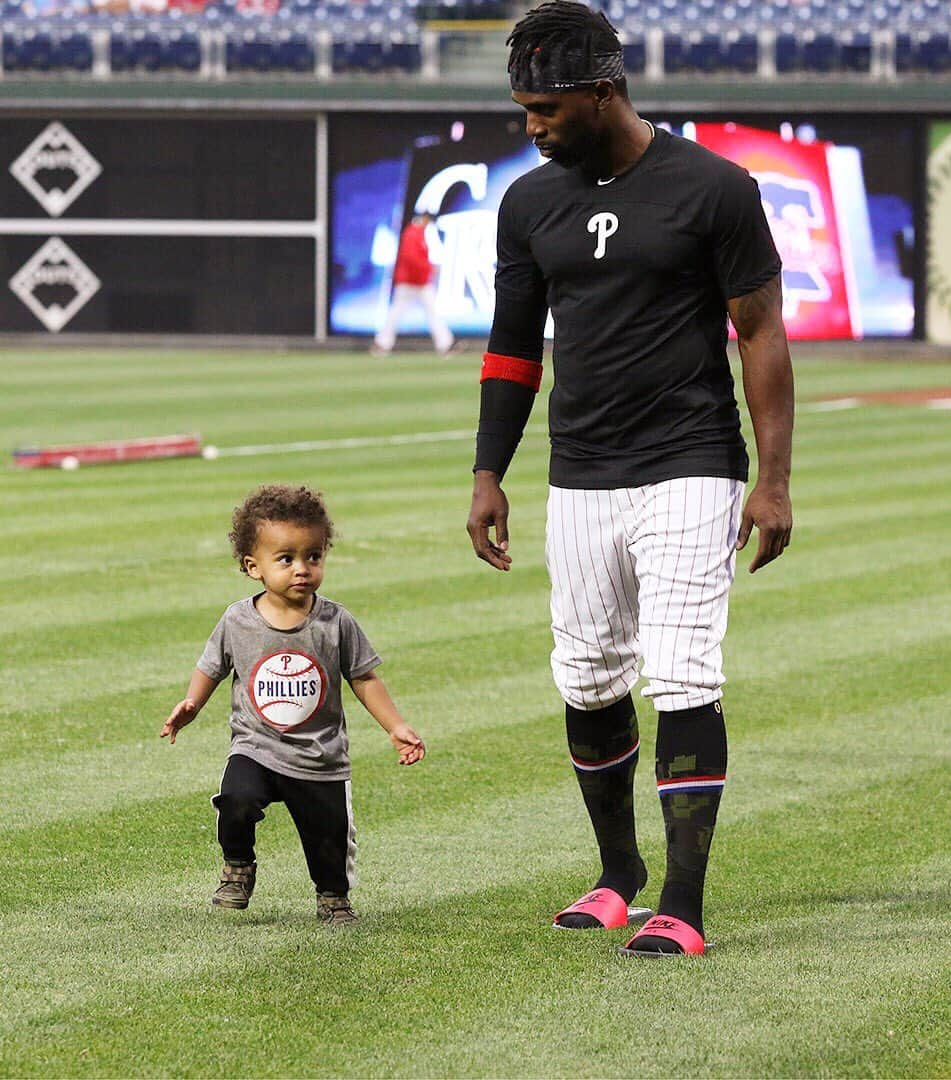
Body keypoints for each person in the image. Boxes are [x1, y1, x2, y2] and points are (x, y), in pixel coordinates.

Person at [466, 0, 794, 957]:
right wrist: (490, 471)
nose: (531, 127)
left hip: (691, 463)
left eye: (545, 110)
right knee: (587, 676)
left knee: (683, 673)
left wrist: (772, 483)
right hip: (582, 473)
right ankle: (619, 875)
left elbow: (762, 334)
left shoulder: (714, 188)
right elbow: (512, 349)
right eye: (523, 109)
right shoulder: (529, 203)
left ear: (604, 92)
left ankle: (683, 906)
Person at [161, 484, 425, 925]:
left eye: (313, 556)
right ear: (253, 567)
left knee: (329, 838)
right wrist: (192, 701)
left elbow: (364, 677)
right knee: (235, 799)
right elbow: (212, 665)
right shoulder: (237, 620)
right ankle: (238, 867)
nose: (302, 568)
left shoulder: (335, 622)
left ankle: (333, 896)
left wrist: (395, 726)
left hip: (318, 756)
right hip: (256, 747)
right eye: (286, 559)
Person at [372, 211, 456, 356]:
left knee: (432, 312)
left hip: (419, 281)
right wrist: (429, 268)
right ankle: (382, 344)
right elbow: (411, 258)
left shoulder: (420, 233)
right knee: (397, 312)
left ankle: (445, 344)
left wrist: (427, 269)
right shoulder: (413, 233)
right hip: (409, 281)